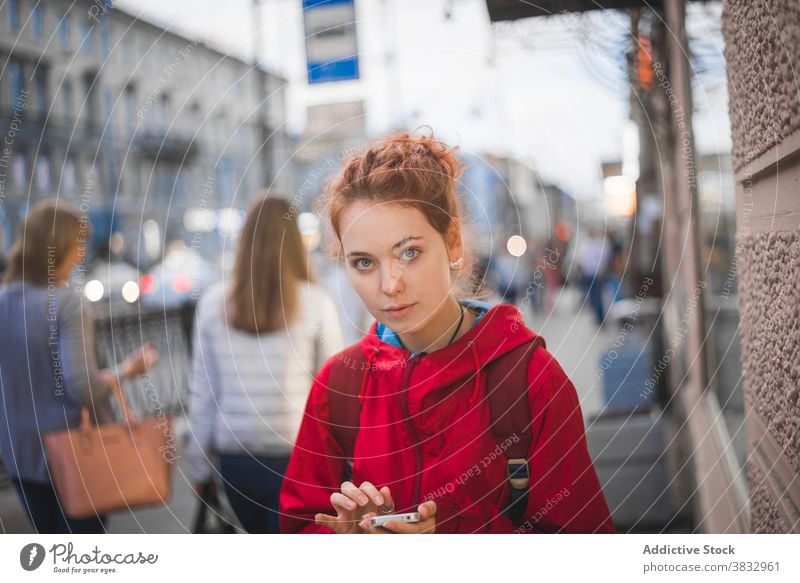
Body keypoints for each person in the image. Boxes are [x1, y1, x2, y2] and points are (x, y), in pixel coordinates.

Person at [279, 132, 615, 534]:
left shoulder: (530, 381)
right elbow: (298, 527)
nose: (389, 284)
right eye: (364, 262)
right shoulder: (339, 387)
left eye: (409, 253)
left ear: (452, 242)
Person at [187, 195, 344, 534]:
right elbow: (333, 391)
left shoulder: (214, 303)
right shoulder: (316, 302)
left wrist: (199, 469)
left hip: (234, 459)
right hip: (296, 457)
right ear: (294, 243)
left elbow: (202, 393)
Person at [0, 200, 158, 534]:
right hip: (75, 457)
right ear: (56, 249)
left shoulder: (3, 301)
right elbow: (82, 385)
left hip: (19, 454)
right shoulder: (68, 303)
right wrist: (127, 370)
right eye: (78, 244)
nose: (82, 254)